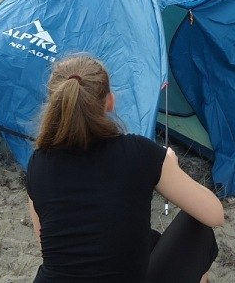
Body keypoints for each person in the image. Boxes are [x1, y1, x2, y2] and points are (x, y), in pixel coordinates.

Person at [26, 55, 224, 283]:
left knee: (150, 240)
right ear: (110, 101)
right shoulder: (139, 153)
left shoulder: (38, 164)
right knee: (199, 229)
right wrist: (170, 166)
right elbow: (214, 215)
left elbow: (47, 244)